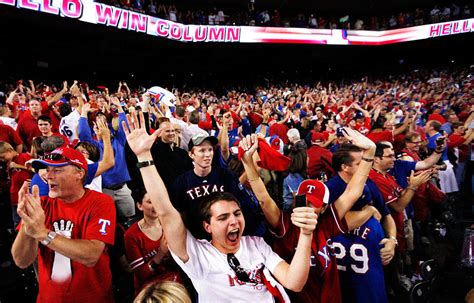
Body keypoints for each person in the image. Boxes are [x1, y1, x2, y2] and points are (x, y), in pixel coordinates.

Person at [123, 111, 317, 302]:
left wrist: (306, 235)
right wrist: (144, 157)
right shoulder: (198, 255)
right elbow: (166, 212)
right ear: (207, 226)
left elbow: (294, 282)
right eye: (223, 217)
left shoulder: (256, 245)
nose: (233, 220)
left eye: (236, 213)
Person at [241, 128, 379, 303]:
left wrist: (369, 154)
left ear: (323, 208)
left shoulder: (327, 224)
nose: (306, 205)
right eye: (302, 199)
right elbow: (264, 199)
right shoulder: (285, 225)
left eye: (313, 202)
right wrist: (248, 163)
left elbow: (353, 191)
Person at [11, 147, 116, 303]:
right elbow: (22, 261)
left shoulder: (101, 202)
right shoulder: (42, 205)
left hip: (93, 298)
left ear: (79, 174)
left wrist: (43, 233)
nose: (48, 175)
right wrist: (28, 222)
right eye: (47, 169)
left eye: (57, 170)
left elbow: (91, 255)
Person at [326, 144, 397, 303]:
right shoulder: (330, 189)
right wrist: (368, 211)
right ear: (345, 167)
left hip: (369, 267)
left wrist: (393, 240)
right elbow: (335, 222)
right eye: (360, 163)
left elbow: (387, 215)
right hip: (341, 270)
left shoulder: (369, 183)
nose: (367, 166)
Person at [125, 189, 183, 295]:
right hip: (150, 289)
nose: (156, 205)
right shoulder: (131, 235)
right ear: (139, 206)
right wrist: (161, 253)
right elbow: (141, 275)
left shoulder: (170, 223)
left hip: (175, 282)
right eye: (150, 202)